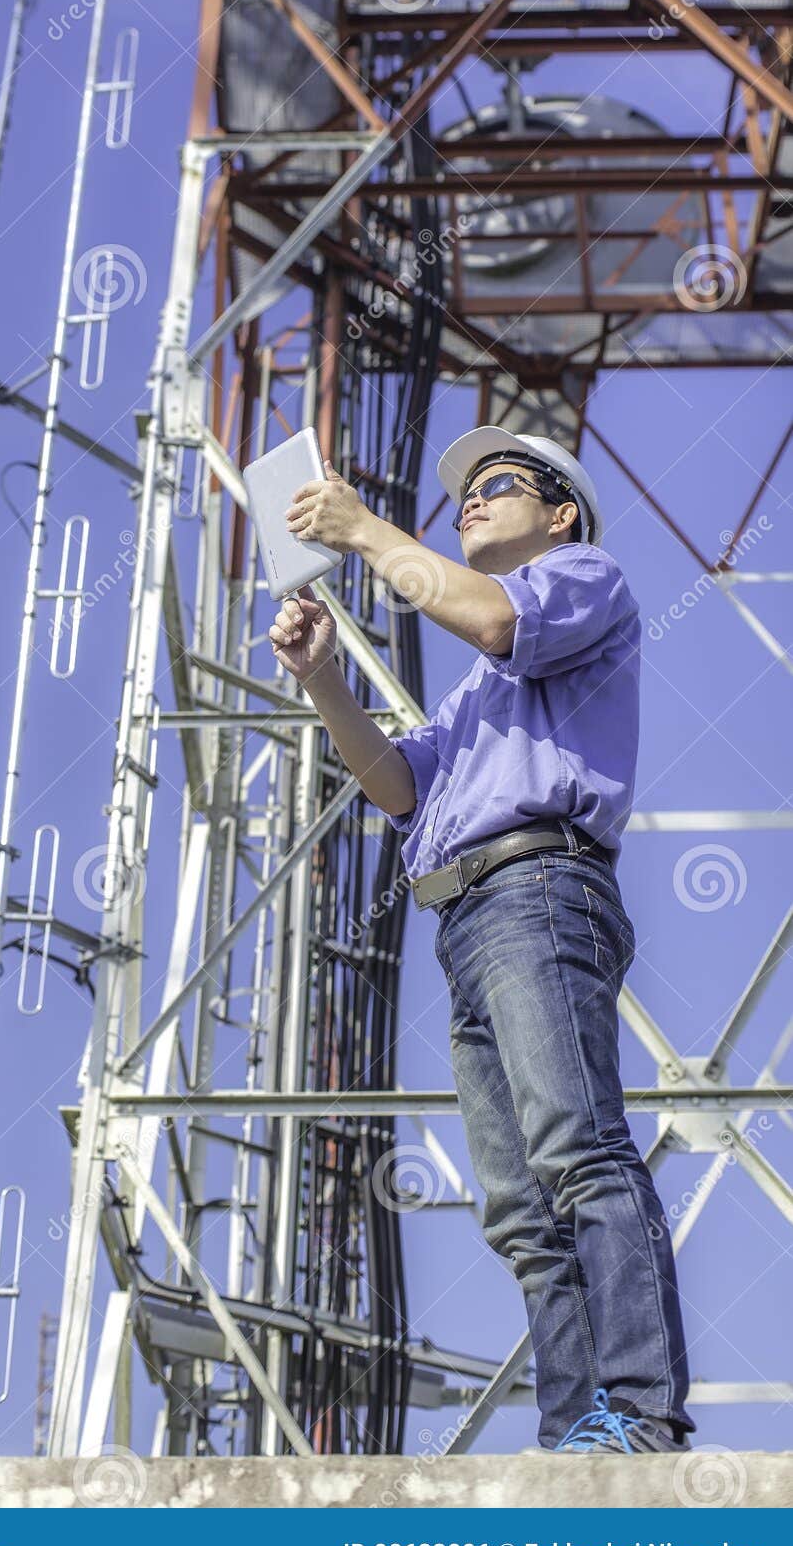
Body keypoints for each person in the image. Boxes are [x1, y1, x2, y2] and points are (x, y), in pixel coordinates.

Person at [268, 426, 695, 1454]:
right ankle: (575, 1429)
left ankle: (636, 1413)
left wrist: (363, 530)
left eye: (496, 485)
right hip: (468, 918)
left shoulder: (581, 580)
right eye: (462, 492)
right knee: (517, 1203)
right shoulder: (481, 689)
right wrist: (325, 679)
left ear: (560, 514)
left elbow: (496, 618)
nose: (467, 499)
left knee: (577, 1153)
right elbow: (396, 784)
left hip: (536, 891)